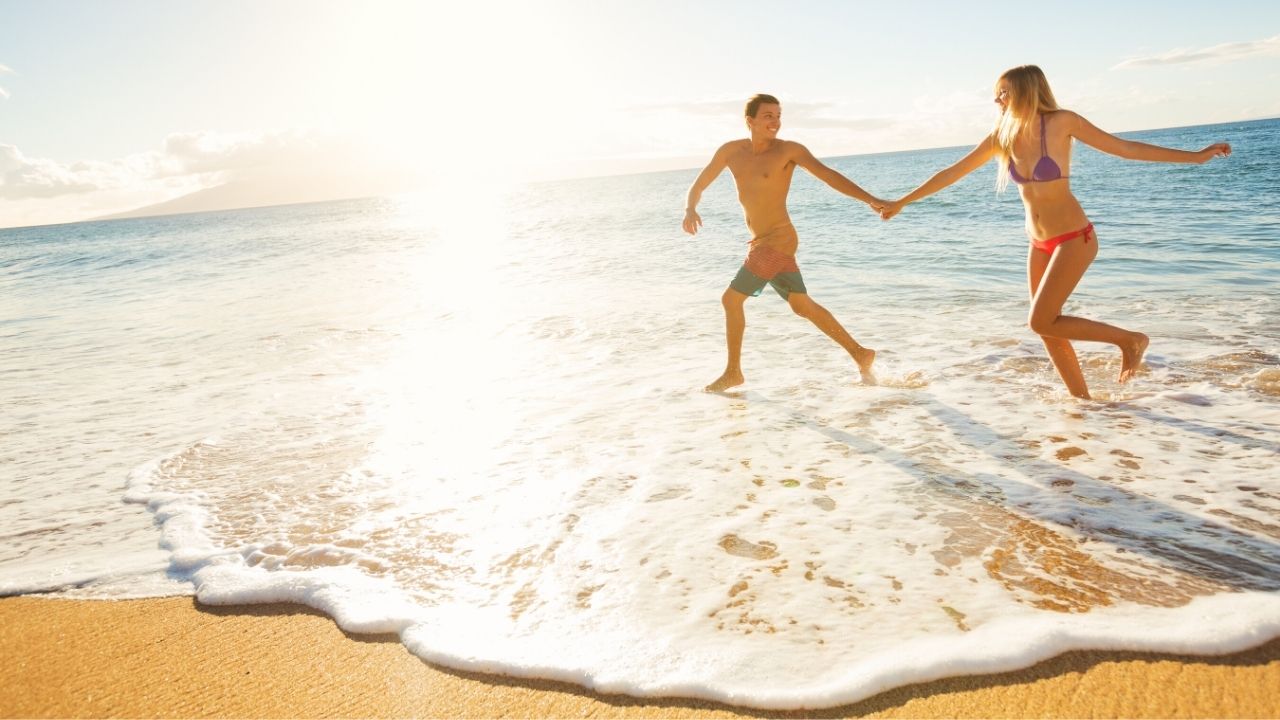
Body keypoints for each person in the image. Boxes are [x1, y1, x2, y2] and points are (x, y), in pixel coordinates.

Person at [878, 65, 1230, 400]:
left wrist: (1195, 157)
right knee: (1048, 327)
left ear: (1024, 91)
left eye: (1002, 92)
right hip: (1039, 241)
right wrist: (903, 201)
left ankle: (1130, 340)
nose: (997, 100)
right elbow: (952, 172)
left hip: (1075, 238)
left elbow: (1125, 148)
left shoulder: (1063, 122)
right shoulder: (1002, 135)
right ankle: (1083, 402)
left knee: (1040, 320)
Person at [683, 93, 884, 392]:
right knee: (802, 305)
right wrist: (690, 207)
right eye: (768, 116)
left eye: (778, 115)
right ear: (749, 121)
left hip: (778, 240)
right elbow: (699, 184)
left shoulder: (788, 151)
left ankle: (733, 372)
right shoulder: (730, 152)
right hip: (759, 241)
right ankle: (860, 353)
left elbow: (829, 176)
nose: (775, 121)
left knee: (731, 299)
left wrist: (872, 200)